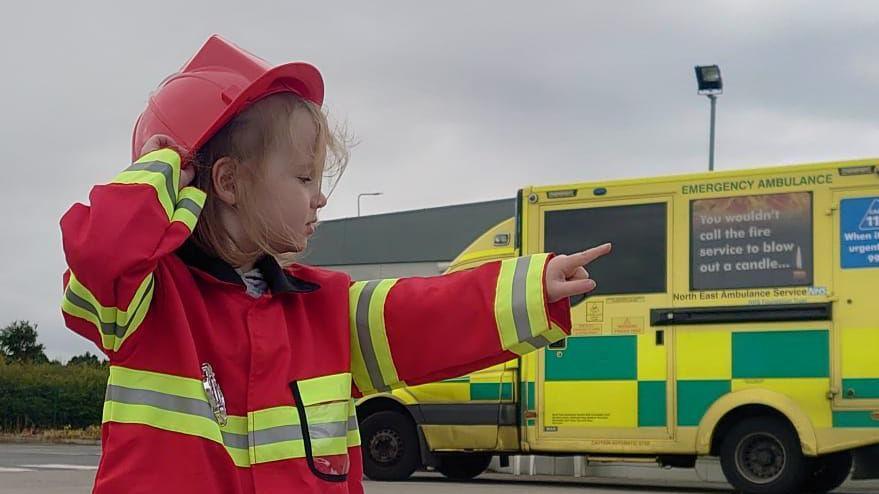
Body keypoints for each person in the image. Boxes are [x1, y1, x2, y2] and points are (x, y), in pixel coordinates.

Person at [59, 35, 612, 494]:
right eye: (303, 179)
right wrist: (164, 166)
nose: (319, 199)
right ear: (226, 182)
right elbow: (102, 250)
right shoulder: (142, 301)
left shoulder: (324, 307)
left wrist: (536, 288)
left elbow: (426, 314)